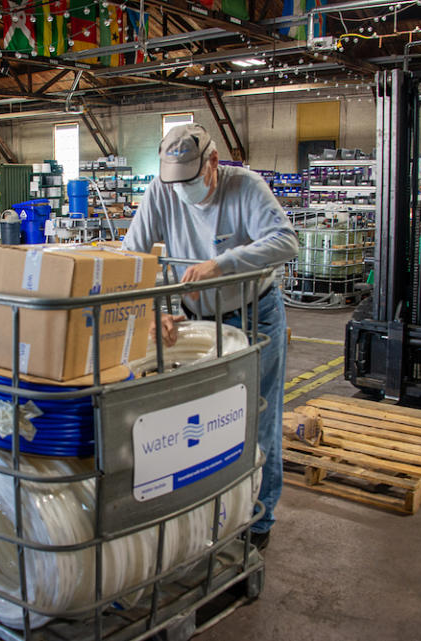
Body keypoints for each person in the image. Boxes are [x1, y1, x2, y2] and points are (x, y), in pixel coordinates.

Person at [122, 124, 298, 550]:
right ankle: (208, 513)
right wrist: (151, 312)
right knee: (201, 420)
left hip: (254, 314)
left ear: (213, 163)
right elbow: (132, 257)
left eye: (190, 180)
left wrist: (223, 263)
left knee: (258, 416)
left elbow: (286, 241)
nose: (182, 191)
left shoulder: (246, 188)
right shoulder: (162, 190)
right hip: (196, 319)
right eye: (174, 182)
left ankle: (259, 519)